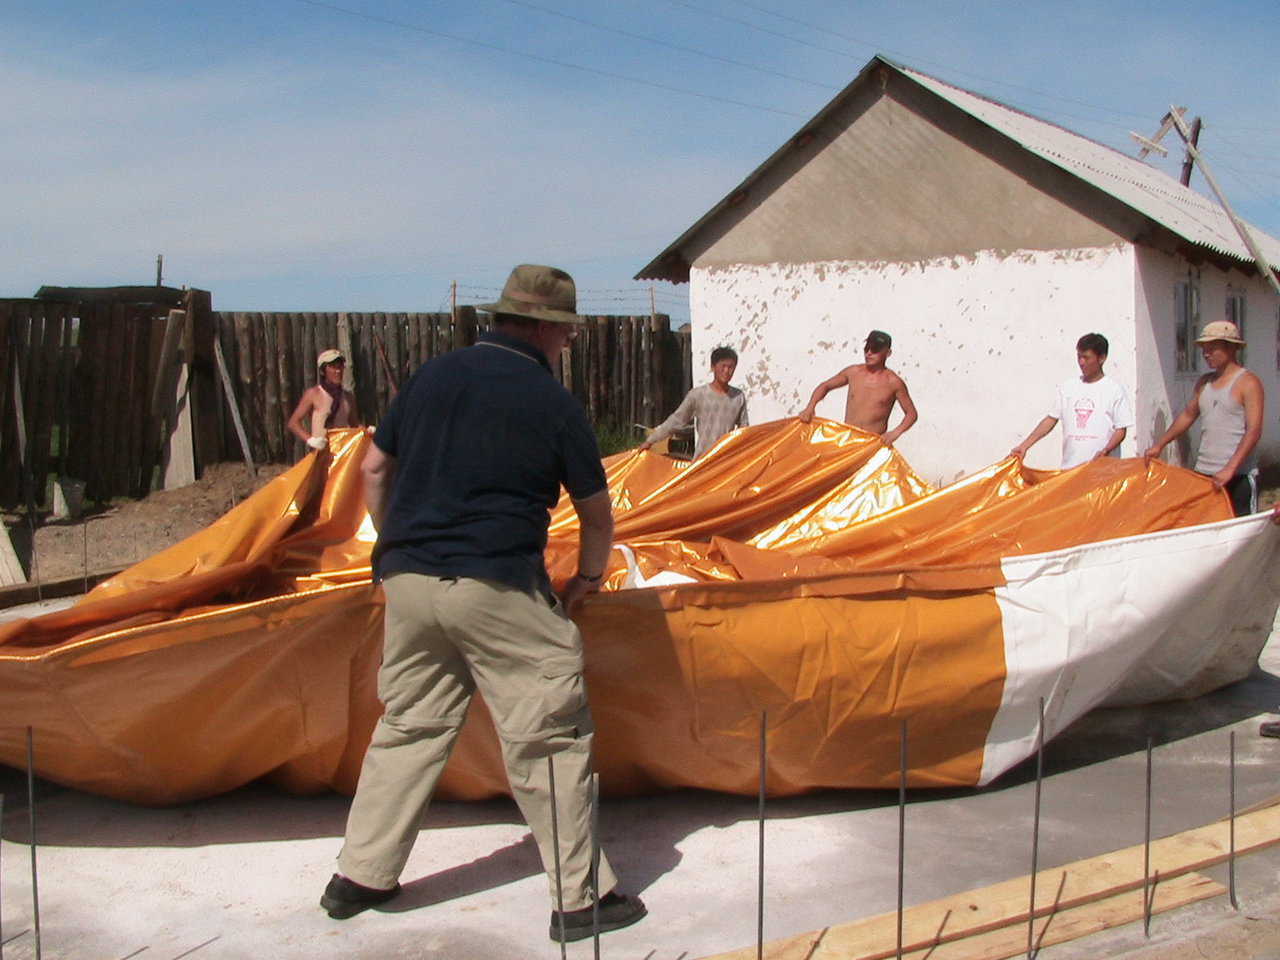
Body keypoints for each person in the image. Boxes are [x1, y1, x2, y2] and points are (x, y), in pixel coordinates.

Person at [319, 264, 646, 944]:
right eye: (565, 334)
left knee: (409, 725)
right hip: (497, 583)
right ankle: (582, 901)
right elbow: (596, 513)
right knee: (548, 735)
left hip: (408, 582)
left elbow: (375, 469)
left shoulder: (431, 376)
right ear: (549, 329)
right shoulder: (551, 400)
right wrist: (585, 579)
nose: (565, 346)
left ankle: (360, 877)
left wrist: (394, 547)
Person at [1144, 321, 1264, 516]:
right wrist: (1160, 444)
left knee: (1238, 533)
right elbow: (1188, 415)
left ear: (1231, 348)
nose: (1206, 354)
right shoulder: (1204, 383)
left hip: (1237, 476)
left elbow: (1254, 431)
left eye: (1212, 349)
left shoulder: (1248, 383)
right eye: (1204, 349)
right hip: (1204, 474)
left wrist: (1230, 468)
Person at [1010, 333, 1134, 468]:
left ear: (1102, 358)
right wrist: (1024, 446)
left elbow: (1121, 429)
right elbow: (1051, 420)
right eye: (1079, 357)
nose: (1081, 362)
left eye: (1086, 357)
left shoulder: (1114, 390)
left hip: (1102, 473)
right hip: (1070, 470)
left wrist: (1106, 451)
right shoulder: (1068, 388)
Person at [798, 330, 918, 445]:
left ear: (888, 353)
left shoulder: (894, 382)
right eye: (867, 348)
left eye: (875, 349)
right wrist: (810, 407)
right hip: (847, 439)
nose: (869, 353)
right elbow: (825, 386)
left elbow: (911, 414)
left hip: (872, 444)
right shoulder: (853, 372)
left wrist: (895, 433)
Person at [639, 346, 748, 458]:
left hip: (725, 460)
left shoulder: (738, 397)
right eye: (723, 366)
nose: (726, 371)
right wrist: (651, 440)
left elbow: (744, 431)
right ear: (713, 367)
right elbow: (676, 420)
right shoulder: (698, 395)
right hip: (702, 459)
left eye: (731, 367)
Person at [286, 348, 361, 451]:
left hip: (341, 454)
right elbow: (293, 422)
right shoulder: (314, 394)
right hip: (320, 453)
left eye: (340, 367)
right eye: (333, 367)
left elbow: (355, 425)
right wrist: (311, 440)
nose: (338, 371)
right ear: (323, 371)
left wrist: (367, 431)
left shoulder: (348, 397)